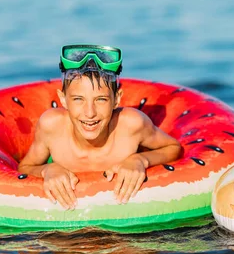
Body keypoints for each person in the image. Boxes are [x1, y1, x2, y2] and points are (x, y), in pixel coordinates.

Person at [18, 44, 182, 210]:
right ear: (63, 99)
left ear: (116, 99)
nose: (90, 113)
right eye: (78, 99)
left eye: (101, 99)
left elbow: (173, 148)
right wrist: (48, 170)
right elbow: (24, 168)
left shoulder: (132, 124)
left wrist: (140, 159)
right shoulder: (52, 126)